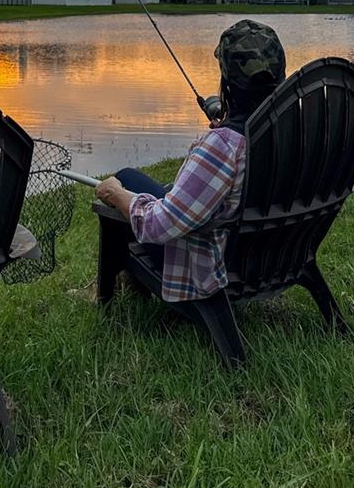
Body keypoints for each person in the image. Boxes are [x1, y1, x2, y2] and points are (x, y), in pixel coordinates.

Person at [95, 19, 286, 303]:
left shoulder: (224, 147)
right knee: (146, 188)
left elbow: (159, 225)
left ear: (228, 79)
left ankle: (107, 294)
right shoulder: (296, 124)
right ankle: (127, 283)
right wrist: (231, 120)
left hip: (218, 263)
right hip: (275, 255)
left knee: (126, 178)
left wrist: (118, 195)